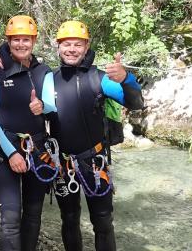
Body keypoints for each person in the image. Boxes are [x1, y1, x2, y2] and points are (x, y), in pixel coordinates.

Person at [51, 20, 144, 251]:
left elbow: (135, 103)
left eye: (77, 44)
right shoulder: (49, 79)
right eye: (66, 44)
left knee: (102, 221)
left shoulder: (99, 78)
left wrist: (125, 79)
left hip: (94, 159)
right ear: (58, 46)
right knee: (69, 219)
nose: (72, 49)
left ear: (86, 46)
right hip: (63, 163)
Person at [0, 15, 57, 251]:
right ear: (8, 41)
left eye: (26, 39)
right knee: (11, 219)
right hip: (6, 150)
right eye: (16, 40)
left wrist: (42, 107)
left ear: (33, 41)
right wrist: (11, 153)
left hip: (37, 149)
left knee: (33, 215)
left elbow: (52, 106)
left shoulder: (44, 71)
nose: (21, 44)